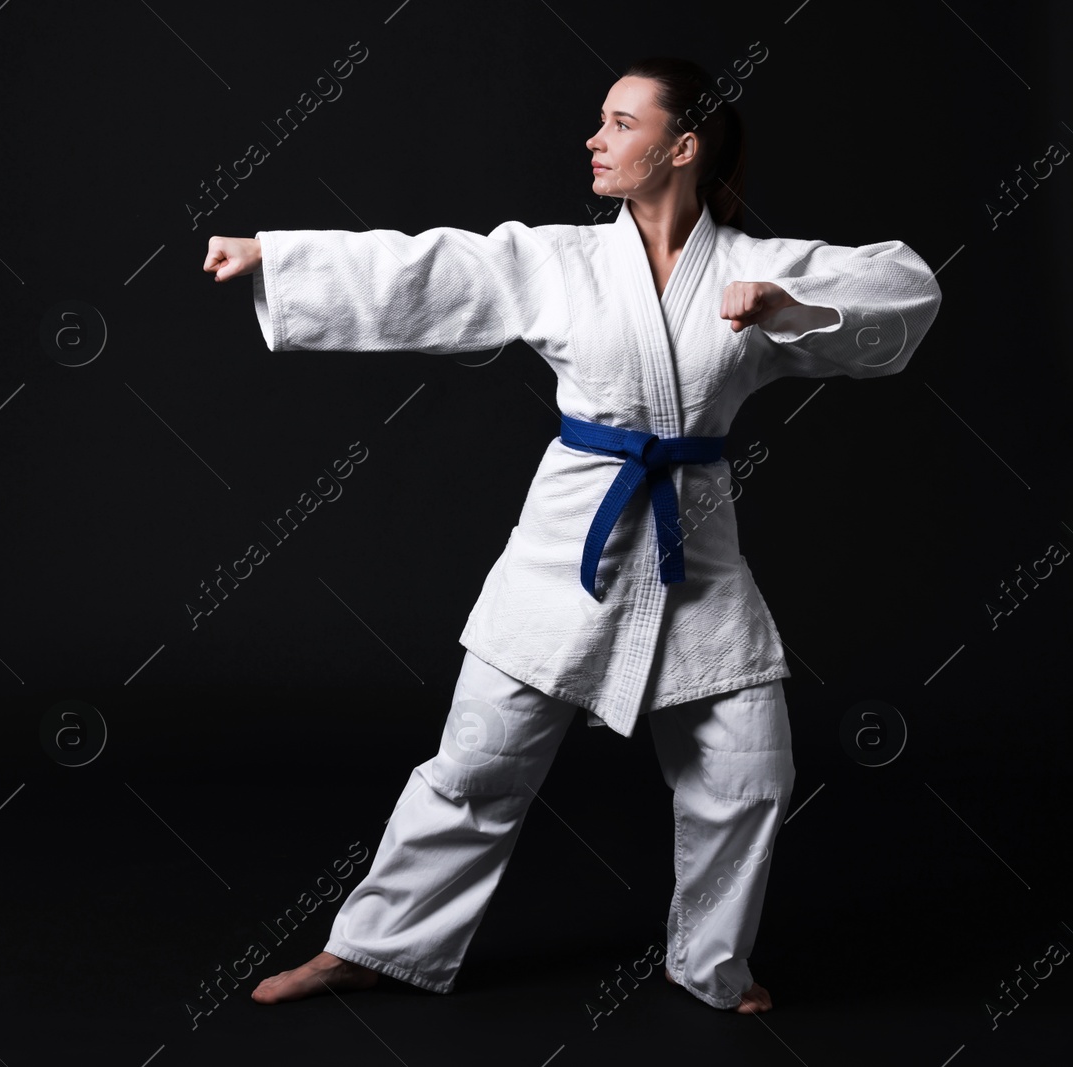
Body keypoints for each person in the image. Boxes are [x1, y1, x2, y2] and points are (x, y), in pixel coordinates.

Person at [200, 56, 942, 1015]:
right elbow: (441, 263)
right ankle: (375, 946)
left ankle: (709, 962)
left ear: (683, 145)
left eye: (621, 123)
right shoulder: (563, 260)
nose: (595, 138)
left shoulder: (754, 267)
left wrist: (787, 309)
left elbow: (905, 286)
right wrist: (282, 255)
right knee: (474, 765)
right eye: (601, 120)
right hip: (568, 550)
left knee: (752, 771)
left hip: (696, 552)